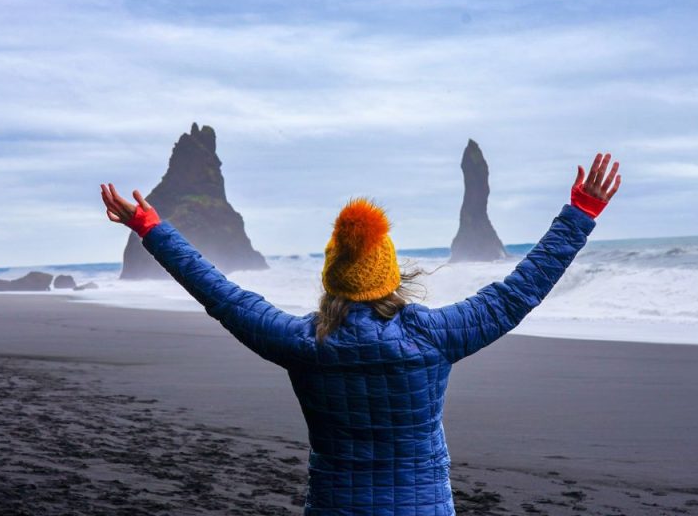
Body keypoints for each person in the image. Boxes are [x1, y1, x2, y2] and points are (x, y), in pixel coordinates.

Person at [100, 152, 621, 516]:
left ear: (332, 278)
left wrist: (151, 228)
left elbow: (220, 293)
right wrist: (581, 213)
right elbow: (517, 293)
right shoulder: (433, 337)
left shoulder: (303, 344)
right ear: (390, 275)